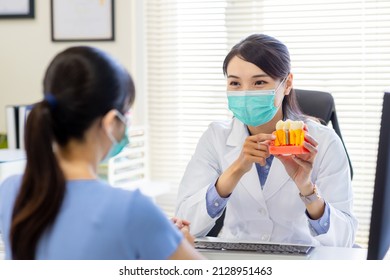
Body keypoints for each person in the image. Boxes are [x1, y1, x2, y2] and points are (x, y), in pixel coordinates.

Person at [0, 46, 203, 260]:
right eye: (127, 115)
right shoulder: (132, 210)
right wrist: (181, 245)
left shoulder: (11, 191)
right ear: (111, 122)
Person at [176, 34, 358, 247]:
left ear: (287, 83)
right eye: (235, 83)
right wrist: (236, 170)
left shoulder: (324, 142)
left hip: (301, 260)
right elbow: (185, 225)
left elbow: (344, 240)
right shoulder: (216, 136)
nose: (245, 93)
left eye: (259, 82)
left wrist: (307, 188)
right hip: (236, 258)